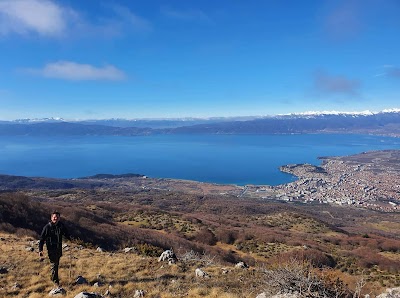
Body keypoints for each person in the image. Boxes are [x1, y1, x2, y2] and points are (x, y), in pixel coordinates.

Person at [39, 210, 71, 287]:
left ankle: (53, 278)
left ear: (59, 218)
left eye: (57, 217)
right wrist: (40, 250)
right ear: (51, 218)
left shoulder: (61, 226)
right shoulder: (47, 227)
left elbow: (66, 234)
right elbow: (42, 239)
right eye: (54, 217)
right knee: (54, 264)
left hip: (58, 248)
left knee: (56, 264)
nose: (55, 218)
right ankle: (55, 281)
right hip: (51, 248)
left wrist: (70, 240)